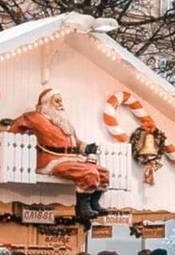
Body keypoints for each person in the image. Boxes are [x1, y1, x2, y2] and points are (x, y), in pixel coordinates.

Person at [9, 89, 111, 220]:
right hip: (52, 160)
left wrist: (86, 147)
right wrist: (14, 140)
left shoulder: (63, 121)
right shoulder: (35, 117)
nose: (60, 104)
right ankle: (82, 208)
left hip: (71, 159)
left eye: (60, 100)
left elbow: (75, 142)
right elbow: (16, 127)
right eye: (56, 100)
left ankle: (93, 203)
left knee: (103, 172)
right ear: (46, 103)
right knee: (89, 173)